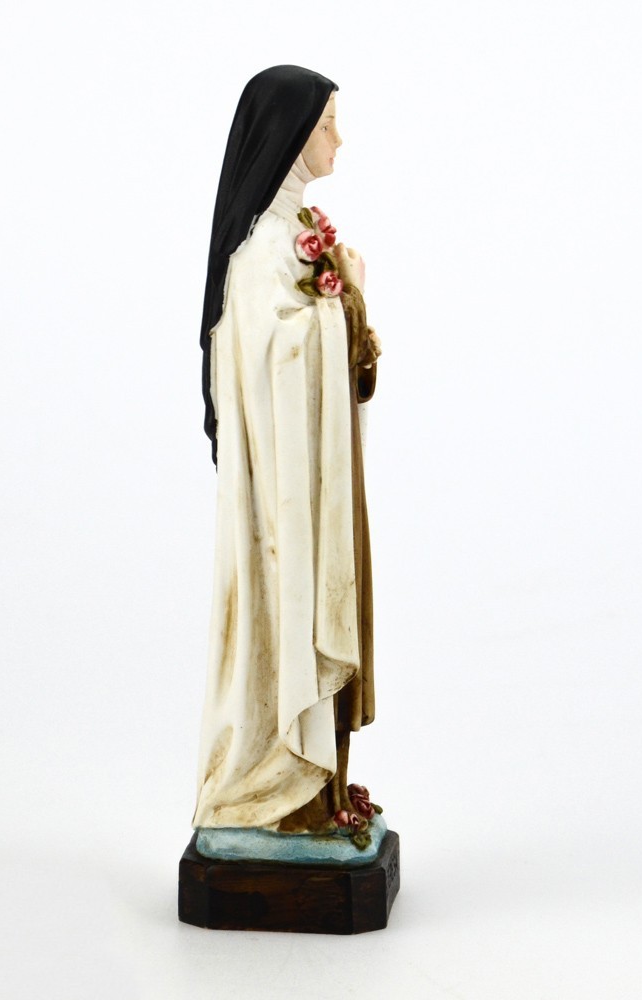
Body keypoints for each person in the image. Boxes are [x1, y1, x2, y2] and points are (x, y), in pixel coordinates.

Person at [193, 66, 381, 837]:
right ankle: (274, 787)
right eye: (328, 122)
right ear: (294, 133)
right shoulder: (261, 253)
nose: (339, 138)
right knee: (288, 617)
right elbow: (271, 361)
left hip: (318, 485)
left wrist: (342, 301)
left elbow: (329, 354)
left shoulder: (297, 236)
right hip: (283, 503)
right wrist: (343, 300)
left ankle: (319, 791)